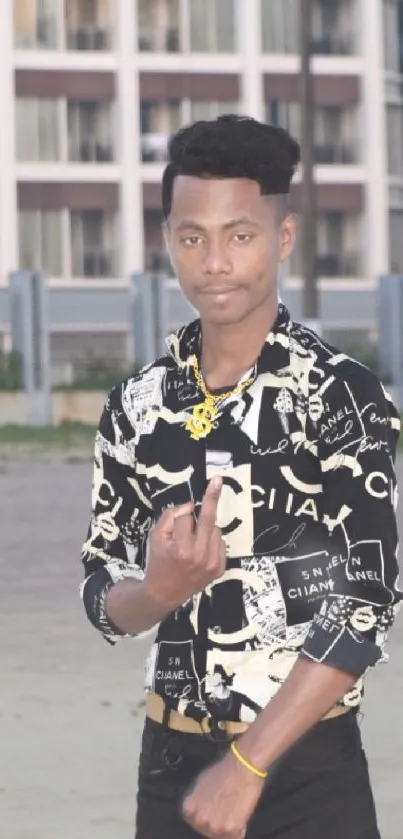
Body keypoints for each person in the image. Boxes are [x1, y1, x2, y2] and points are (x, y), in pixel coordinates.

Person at [80, 114, 402, 839]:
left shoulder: (338, 394)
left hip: (303, 771)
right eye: (192, 236)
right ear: (168, 240)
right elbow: (101, 593)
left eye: (240, 234)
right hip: (169, 766)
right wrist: (157, 590)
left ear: (282, 238)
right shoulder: (137, 405)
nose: (215, 261)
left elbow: (365, 599)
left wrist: (247, 766)